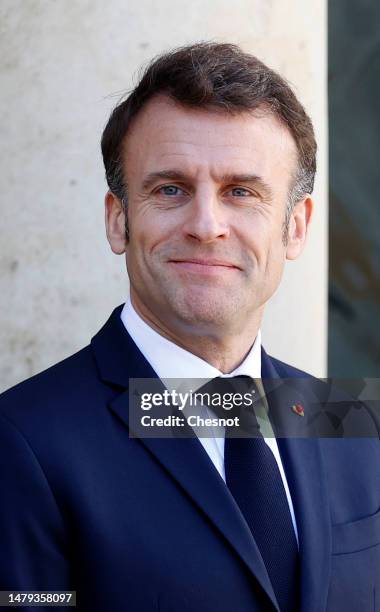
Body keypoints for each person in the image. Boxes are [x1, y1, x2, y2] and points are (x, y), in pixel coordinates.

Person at [0, 42, 379, 612]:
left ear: (296, 227)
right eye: (170, 189)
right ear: (118, 219)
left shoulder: (350, 422)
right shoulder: (22, 441)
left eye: (242, 192)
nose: (206, 225)